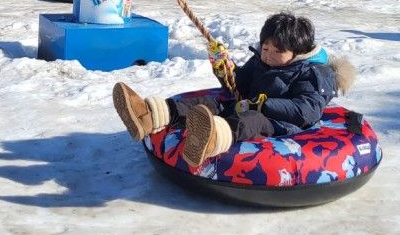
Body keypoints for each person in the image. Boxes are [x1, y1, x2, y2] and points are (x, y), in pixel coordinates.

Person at [112, 12, 356, 168]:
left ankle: (211, 139)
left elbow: (306, 110)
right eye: (265, 47)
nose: (268, 54)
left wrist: (262, 104)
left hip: (279, 122)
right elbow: (239, 85)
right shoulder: (261, 61)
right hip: (247, 104)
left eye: (276, 50)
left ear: (297, 53)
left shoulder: (309, 74)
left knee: (250, 119)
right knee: (208, 103)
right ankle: (148, 115)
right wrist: (224, 68)